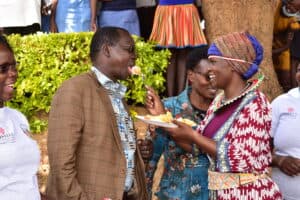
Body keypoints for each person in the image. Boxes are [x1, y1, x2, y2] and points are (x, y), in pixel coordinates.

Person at [148, 32, 282, 199]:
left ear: (233, 64)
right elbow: (200, 149)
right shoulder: (219, 100)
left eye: (213, 61)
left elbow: (241, 159)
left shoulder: (256, 104)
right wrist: (163, 118)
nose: (209, 68)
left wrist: (193, 136)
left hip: (249, 194)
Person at [46, 27, 148, 200]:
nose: (134, 56)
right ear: (107, 50)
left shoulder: (116, 94)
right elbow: (61, 164)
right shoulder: (74, 90)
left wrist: (138, 151)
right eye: (129, 49)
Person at [144, 46, 216, 200]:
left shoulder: (224, 112)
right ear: (191, 75)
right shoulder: (168, 108)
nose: (214, 83)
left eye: (217, 76)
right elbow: (150, 161)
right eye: (208, 76)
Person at [0, 35, 42, 199]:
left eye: (13, 66)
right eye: (3, 69)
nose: (14, 74)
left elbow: (25, 182)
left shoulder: (17, 118)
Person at [149, 0, 207, 97]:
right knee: (172, 55)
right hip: (170, 8)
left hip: (183, 7)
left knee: (179, 54)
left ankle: (178, 97)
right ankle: (173, 98)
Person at [271, 63, 300, 200]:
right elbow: (257, 149)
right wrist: (279, 160)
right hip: (282, 194)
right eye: (299, 70)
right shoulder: (281, 103)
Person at [272, 0, 300, 92]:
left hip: (282, 49)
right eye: (289, 4)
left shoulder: (293, 22)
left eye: (294, 8)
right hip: (272, 44)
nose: (289, 7)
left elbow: (287, 46)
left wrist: (273, 52)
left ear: (298, 11)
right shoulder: (277, 5)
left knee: (285, 79)